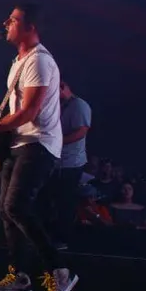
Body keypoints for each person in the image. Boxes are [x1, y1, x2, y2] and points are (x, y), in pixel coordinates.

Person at [0, 4, 78, 291]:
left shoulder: (40, 61)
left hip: (38, 144)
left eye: (13, 20)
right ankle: (18, 275)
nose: (6, 23)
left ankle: (60, 272)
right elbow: (15, 110)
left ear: (30, 27)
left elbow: (30, 111)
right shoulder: (19, 61)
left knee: (16, 205)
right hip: (19, 143)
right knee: (5, 208)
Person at [48, 79, 91, 247]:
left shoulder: (79, 106)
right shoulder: (59, 106)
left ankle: (63, 239)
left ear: (64, 87)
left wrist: (59, 141)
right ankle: (51, 235)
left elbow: (81, 131)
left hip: (72, 163)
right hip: (57, 161)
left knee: (65, 201)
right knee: (53, 199)